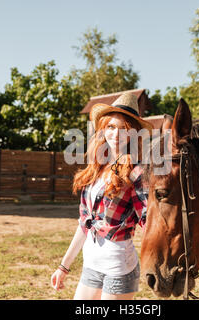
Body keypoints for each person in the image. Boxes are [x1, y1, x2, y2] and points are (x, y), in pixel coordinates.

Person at [50, 92, 153, 300]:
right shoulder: (96, 169)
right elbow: (84, 224)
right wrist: (64, 266)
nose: (116, 134)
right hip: (91, 265)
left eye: (123, 129)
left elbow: (149, 221)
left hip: (119, 268)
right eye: (111, 127)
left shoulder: (137, 173)